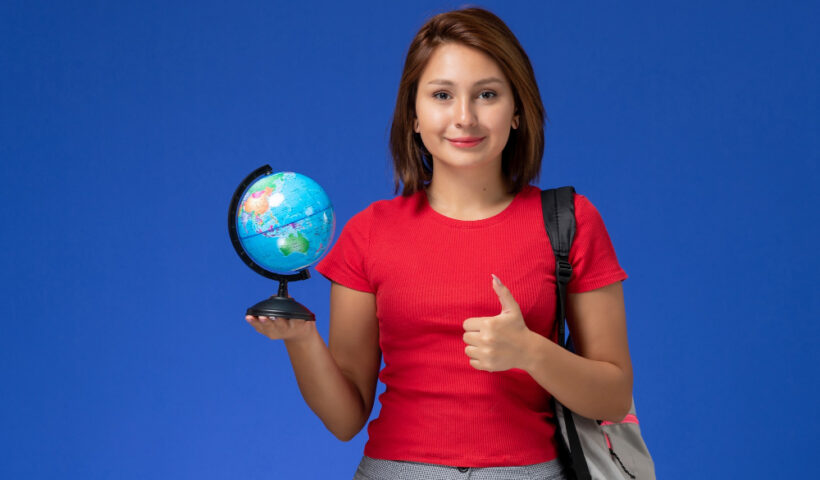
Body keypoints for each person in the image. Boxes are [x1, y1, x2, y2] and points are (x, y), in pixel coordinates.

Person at [245, 7, 633, 480]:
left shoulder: (571, 222)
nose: (464, 117)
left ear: (517, 111)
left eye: (487, 94)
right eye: (442, 95)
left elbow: (613, 396)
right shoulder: (369, 233)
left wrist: (530, 352)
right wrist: (302, 340)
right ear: (413, 115)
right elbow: (346, 420)